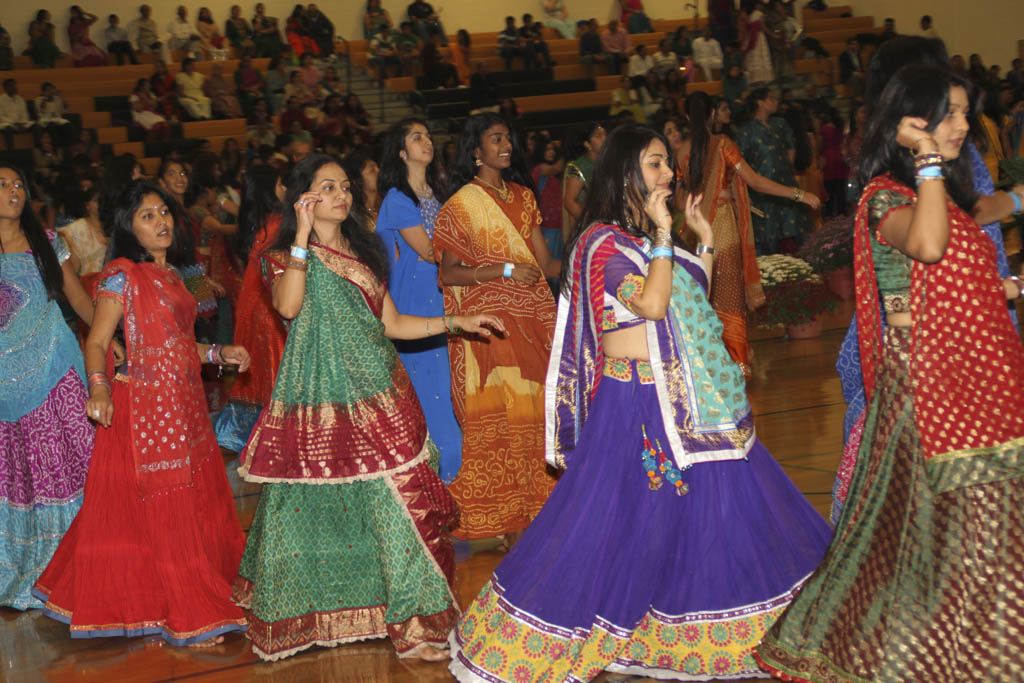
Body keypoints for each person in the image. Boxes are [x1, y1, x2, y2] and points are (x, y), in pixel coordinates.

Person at [448, 123, 831, 682]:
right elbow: (653, 304)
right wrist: (663, 231)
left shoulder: (635, 238)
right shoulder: (602, 243)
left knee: (683, 516)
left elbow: (683, 294)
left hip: (677, 399)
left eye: (666, 164)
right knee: (608, 522)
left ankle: (685, 628)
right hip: (636, 405)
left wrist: (695, 239)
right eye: (655, 164)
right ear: (626, 172)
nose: (669, 174)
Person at [756, 63, 1024, 683]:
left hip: (977, 385)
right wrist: (929, 160)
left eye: (963, 114)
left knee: (978, 538)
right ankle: (906, 655)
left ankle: (983, 651)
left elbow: (958, 280)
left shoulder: (941, 197)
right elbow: (927, 247)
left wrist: (1009, 287)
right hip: (928, 399)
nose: (962, 127)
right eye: (948, 115)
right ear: (911, 125)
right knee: (933, 544)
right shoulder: (885, 196)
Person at [234, 154, 502, 661]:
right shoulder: (285, 257)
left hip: (379, 394)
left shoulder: (364, 252)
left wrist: (456, 322)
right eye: (327, 187)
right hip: (318, 401)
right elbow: (288, 307)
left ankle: (418, 625)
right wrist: (301, 239)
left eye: (345, 186)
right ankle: (317, 615)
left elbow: (394, 325)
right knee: (307, 508)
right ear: (304, 198)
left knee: (401, 507)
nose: (342, 194)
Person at [34, 180, 250, 646]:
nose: (161, 221)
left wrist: (218, 353)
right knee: (161, 504)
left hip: (185, 403)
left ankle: (170, 589)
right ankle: (186, 606)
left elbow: (175, 346)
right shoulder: (122, 274)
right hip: (146, 406)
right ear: (128, 227)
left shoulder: (172, 275)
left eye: (164, 212)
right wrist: (100, 390)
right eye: (147, 216)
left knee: (170, 504)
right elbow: (96, 338)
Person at [434, 113, 561, 542]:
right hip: (491, 330)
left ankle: (542, 508)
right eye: (495, 139)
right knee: (505, 417)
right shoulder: (460, 206)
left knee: (537, 413)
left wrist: (595, 252)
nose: (506, 145)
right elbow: (450, 274)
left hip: (532, 322)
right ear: (475, 151)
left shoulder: (525, 197)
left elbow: (544, 265)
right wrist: (504, 270)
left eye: (507, 138)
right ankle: (509, 521)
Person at [0, 165, 97, 609]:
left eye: (18, 184)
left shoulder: (48, 242)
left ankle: (86, 563)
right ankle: (30, 565)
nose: (13, 191)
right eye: (2, 185)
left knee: (72, 459)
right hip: (5, 385)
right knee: (21, 470)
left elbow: (76, 296)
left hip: (56, 366)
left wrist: (104, 336)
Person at [376, 118, 462, 482]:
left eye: (428, 135)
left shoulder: (438, 194)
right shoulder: (398, 200)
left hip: (446, 296)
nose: (427, 141)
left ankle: (452, 480)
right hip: (416, 304)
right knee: (434, 393)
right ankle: (444, 480)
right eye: (416, 137)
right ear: (401, 151)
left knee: (451, 389)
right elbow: (430, 251)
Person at [214, 165, 287, 452]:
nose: (289, 190)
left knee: (261, 370)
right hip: (271, 306)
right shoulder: (281, 223)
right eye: (283, 185)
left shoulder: (262, 223)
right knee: (278, 371)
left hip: (254, 304)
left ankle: (253, 435)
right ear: (274, 190)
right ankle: (277, 439)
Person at [737, 88, 819, 254]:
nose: (775, 102)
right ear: (760, 102)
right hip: (762, 191)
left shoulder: (780, 124)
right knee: (768, 241)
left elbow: (791, 151)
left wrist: (784, 170)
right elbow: (740, 163)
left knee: (802, 235)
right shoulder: (746, 131)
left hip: (787, 185)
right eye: (770, 99)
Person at [562, 121, 606, 240]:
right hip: (589, 230)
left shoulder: (609, 163)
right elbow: (569, 202)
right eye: (598, 135)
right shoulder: (580, 166)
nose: (604, 138)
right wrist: (591, 224)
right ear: (587, 144)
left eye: (604, 134)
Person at [738, 0, 773, 84]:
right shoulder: (757, 13)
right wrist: (772, 34)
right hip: (758, 37)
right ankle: (759, 80)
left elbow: (743, 29)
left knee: (754, 58)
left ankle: (756, 80)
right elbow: (763, 27)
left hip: (752, 36)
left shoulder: (747, 14)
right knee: (758, 58)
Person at [33, 82, 73, 148]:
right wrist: (46, 98)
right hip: (45, 120)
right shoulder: (38, 99)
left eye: (51, 89)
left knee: (68, 125)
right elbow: (40, 109)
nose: (50, 91)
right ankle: (57, 146)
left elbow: (65, 110)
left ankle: (71, 145)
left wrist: (62, 98)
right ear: (43, 91)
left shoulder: (57, 99)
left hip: (57, 119)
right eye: (47, 90)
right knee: (52, 126)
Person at [0, 80, 35, 151]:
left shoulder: (20, 99)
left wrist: (22, 123)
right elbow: (1, 117)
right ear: (5, 88)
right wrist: (14, 123)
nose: (13, 88)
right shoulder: (1, 100)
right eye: (10, 86)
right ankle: (11, 151)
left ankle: (36, 149)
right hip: (8, 124)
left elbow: (25, 114)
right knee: (8, 129)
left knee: (36, 126)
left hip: (21, 123)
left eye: (14, 86)